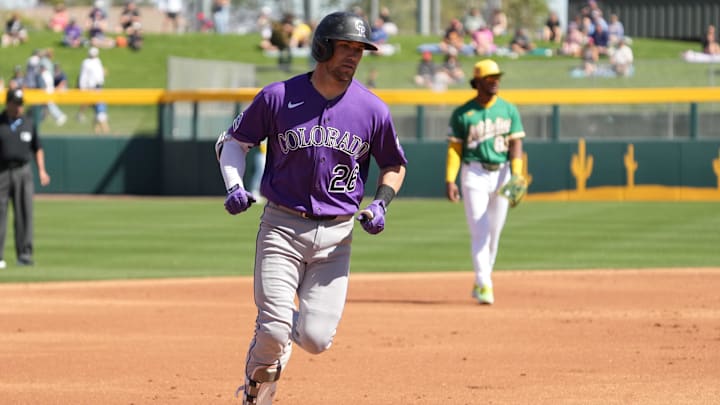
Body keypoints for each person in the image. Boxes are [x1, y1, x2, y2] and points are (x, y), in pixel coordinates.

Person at [214, 11, 407, 404]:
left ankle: (282, 323)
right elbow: (233, 142)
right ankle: (256, 392)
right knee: (272, 329)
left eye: (360, 49)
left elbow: (394, 164)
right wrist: (234, 185)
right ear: (322, 47)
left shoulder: (373, 109)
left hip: (337, 237)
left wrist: (382, 203)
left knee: (317, 340)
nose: (354, 56)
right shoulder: (278, 97)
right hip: (282, 228)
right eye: (346, 47)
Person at [444, 59, 526, 305]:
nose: (495, 82)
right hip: (474, 173)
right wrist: (450, 179)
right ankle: (485, 284)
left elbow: (516, 144)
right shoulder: (462, 113)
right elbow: (454, 149)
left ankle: (482, 278)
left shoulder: (509, 109)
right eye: (490, 78)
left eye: (497, 77)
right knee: (479, 230)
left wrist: (518, 174)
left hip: (502, 173)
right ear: (477, 82)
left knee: (494, 233)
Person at [0, 88, 52, 268]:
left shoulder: (28, 123)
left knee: (25, 213)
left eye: (21, 104)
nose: (19, 108)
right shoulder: (0, 122)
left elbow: (38, 147)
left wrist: (42, 170)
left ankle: (24, 255)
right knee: (0, 214)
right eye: (16, 103)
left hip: (23, 171)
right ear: (8, 103)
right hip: (2, 172)